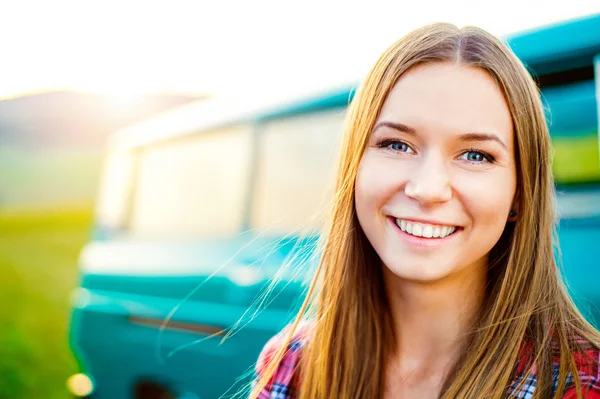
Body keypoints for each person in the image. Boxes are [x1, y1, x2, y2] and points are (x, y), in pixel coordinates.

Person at [248, 23, 600, 399]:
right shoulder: (293, 363)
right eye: (397, 145)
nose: (428, 189)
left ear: (520, 194)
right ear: (354, 165)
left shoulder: (579, 383)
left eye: (475, 155)